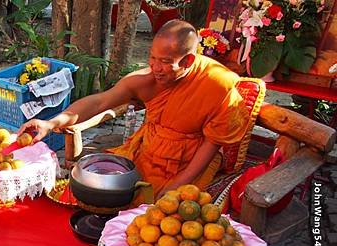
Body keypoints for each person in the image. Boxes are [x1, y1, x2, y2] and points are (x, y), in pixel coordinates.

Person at [20, 20, 250, 198]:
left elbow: (211, 145)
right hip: (146, 151)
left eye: (165, 61)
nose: (156, 68)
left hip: (190, 163)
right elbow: (100, 102)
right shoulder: (147, 80)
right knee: (95, 189)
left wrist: (178, 184)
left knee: (153, 213)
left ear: (188, 61)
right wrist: (51, 123)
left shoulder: (217, 84)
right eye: (152, 58)